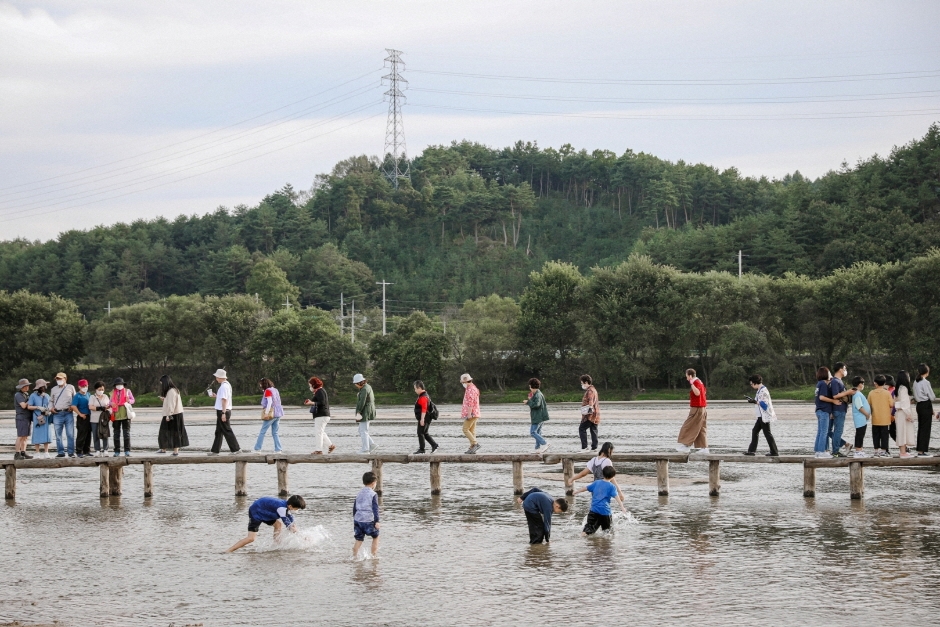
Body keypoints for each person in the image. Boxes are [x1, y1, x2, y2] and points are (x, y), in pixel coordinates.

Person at [227, 494, 306, 552]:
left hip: (265, 512)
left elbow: (291, 520)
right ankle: (229, 551)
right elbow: (287, 524)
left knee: (278, 525)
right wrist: (300, 534)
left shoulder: (287, 506)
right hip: (256, 512)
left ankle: (277, 545)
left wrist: (295, 528)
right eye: (297, 508)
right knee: (251, 538)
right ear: (291, 506)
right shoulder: (282, 508)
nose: (297, 510)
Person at [573, 465, 626, 535]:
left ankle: (581, 538)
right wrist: (622, 507)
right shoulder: (612, 487)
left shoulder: (597, 482)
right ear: (613, 476)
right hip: (605, 512)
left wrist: (576, 491)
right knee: (607, 532)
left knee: (588, 528)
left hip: (594, 510)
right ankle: (605, 544)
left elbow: (585, 488)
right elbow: (617, 498)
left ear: (603, 474)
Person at [208, 369, 243, 455]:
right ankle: (215, 450)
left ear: (220, 377)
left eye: (217, 377)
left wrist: (223, 413)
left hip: (223, 411)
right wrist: (216, 396)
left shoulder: (223, 386)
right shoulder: (227, 385)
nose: (216, 378)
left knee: (227, 430)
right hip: (224, 410)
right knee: (219, 431)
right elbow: (223, 398)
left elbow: (224, 400)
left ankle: (236, 449)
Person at [744, 374, 779, 456]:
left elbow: (765, 404)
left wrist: (755, 402)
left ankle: (774, 451)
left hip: (764, 416)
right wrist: (753, 401)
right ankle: (751, 451)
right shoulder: (760, 390)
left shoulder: (764, 391)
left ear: (755, 383)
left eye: (751, 384)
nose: (751, 386)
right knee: (755, 431)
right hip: (760, 416)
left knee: (767, 433)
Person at [676, 369, 709, 454]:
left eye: (686, 375)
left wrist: (691, 383)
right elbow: (704, 392)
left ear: (690, 375)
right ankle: (704, 448)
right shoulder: (700, 382)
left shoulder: (695, 382)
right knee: (701, 428)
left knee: (689, 426)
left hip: (697, 408)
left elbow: (697, 393)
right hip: (702, 408)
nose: (686, 377)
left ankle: (686, 445)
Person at [812, 367, 840, 459]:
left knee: (820, 432)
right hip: (824, 410)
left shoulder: (819, 383)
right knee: (824, 432)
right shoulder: (823, 384)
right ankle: (821, 451)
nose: (831, 375)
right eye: (829, 373)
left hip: (819, 410)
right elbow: (822, 397)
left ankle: (817, 450)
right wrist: (833, 401)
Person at [353, 471, 381, 558]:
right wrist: (377, 521)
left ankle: (354, 554)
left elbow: (354, 507)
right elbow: (375, 509)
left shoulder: (359, 493)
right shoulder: (373, 494)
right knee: (375, 536)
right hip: (368, 520)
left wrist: (355, 517)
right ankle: (374, 556)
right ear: (373, 483)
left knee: (359, 538)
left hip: (358, 520)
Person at [159, 375, 189, 456]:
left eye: (162, 383)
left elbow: (171, 404)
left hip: (173, 414)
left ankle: (174, 450)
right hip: (174, 413)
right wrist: (165, 399)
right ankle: (164, 449)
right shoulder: (173, 390)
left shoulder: (171, 391)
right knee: (172, 432)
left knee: (171, 432)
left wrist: (169, 415)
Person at [49, 372, 77, 458]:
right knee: (58, 435)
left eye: (60, 379)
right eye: (57, 379)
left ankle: (71, 452)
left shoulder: (71, 387)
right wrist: (51, 408)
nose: (59, 380)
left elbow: (75, 399)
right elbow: (51, 401)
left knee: (70, 434)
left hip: (68, 413)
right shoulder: (53, 389)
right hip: (57, 413)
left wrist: (72, 407)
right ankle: (60, 452)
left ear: (65, 379)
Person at [304, 377, 335, 454]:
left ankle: (319, 450)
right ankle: (330, 445)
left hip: (322, 415)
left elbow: (322, 403)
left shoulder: (320, 391)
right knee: (321, 432)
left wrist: (312, 403)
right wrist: (310, 401)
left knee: (318, 432)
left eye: (310, 385)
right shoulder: (318, 391)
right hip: (323, 415)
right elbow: (315, 401)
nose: (310, 387)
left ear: (314, 385)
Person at [827, 362, 852, 457]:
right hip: (838, 409)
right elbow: (835, 395)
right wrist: (848, 392)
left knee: (832, 430)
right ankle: (836, 451)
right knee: (838, 430)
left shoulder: (839, 381)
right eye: (845, 369)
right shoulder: (835, 381)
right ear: (840, 369)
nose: (845, 371)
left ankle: (843, 445)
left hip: (839, 409)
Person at [253, 378, 283, 453]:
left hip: (271, 413)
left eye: (261, 384)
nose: (260, 385)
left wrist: (266, 413)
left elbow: (269, 402)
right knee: (275, 432)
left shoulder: (267, 391)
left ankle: (257, 449)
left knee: (262, 431)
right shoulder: (275, 390)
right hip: (278, 413)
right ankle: (278, 449)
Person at [913, 364, 937, 456]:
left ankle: (920, 449)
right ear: (927, 372)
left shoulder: (916, 381)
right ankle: (922, 451)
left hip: (919, 405)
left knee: (921, 427)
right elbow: (932, 396)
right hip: (925, 404)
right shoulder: (925, 382)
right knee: (926, 429)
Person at [868, 375, 894, 457]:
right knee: (884, 435)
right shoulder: (887, 393)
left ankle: (876, 450)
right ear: (884, 383)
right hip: (885, 418)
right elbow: (891, 404)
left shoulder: (871, 393)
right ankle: (883, 451)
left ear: (875, 383)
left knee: (875, 435)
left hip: (875, 418)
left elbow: (869, 403)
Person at [522, 378, 550, 453]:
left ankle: (545, 443)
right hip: (540, 417)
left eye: (530, 386)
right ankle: (537, 448)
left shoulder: (538, 395)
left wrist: (528, 402)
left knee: (533, 432)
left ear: (531, 386)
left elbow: (536, 405)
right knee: (538, 432)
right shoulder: (537, 394)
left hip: (538, 417)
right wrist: (530, 399)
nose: (529, 388)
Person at [110, 377, 136, 457]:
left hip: (125, 414)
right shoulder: (112, 392)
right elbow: (109, 402)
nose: (119, 386)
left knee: (126, 433)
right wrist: (111, 404)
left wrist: (129, 401)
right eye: (117, 384)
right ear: (115, 385)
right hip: (116, 414)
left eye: (120, 384)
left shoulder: (128, 391)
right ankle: (117, 451)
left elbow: (133, 400)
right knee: (116, 434)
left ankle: (127, 450)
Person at [412, 380, 439, 454]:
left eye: (415, 389)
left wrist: (422, 419)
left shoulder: (423, 397)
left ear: (419, 388)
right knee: (425, 433)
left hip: (425, 417)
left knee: (420, 433)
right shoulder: (425, 395)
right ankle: (434, 445)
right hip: (427, 417)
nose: (415, 390)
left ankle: (422, 449)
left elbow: (424, 408)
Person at [28, 379, 52, 459]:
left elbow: (50, 405)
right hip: (37, 417)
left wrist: (48, 410)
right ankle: (37, 452)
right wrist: (38, 407)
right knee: (37, 434)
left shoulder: (47, 396)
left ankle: (46, 452)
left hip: (46, 416)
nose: (44, 388)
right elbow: (29, 406)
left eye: (44, 386)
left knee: (46, 433)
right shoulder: (33, 396)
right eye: (42, 386)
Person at [894, 371, 916, 458]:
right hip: (903, 413)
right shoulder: (904, 389)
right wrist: (908, 414)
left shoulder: (899, 388)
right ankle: (903, 452)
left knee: (901, 431)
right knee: (903, 431)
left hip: (900, 413)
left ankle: (902, 451)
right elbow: (904, 403)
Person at [353, 374, 377, 454]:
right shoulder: (367, 387)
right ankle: (372, 444)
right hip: (368, 410)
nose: (356, 386)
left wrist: (358, 412)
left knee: (363, 431)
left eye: (356, 384)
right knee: (361, 430)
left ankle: (365, 449)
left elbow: (362, 402)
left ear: (359, 382)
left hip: (365, 411)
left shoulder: (364, 389)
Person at [850, 376, 872, 458]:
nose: (863, 385)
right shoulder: (857, 394)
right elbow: (859, 407)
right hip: (860, 418)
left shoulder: (857, 393)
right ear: (860, 384)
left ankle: (860, 450)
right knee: (860, 434)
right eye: (863, 383)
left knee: (861, 434)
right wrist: (867, 414)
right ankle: (858, 451)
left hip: (862, 418)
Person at [460, 373, 481, 454]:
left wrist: (469, 414)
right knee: (472, 431)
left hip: (472, 413)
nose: (462, 384)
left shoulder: (470, 389)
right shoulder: (473, 388)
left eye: (462, 382)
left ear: (465, 381)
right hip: (475, 413)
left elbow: (470, 403)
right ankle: (472, 447)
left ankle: (475, 444)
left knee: (465, 429)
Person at [578, 374, 601, 452]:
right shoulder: (594, 389)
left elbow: (590, 401)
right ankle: (594, 448)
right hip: (596, 415)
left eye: (582, 383)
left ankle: (584, 447)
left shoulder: (590, 391)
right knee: (593, 430)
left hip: (590, 415)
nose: (582, 385)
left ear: (586, 382)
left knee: (582, 429)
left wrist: (589, 411)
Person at [13, 379, 34, 460]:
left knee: (25, 436)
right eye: (25, 386)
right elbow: (23, 406)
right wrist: (31, 399)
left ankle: (23, 452)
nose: (27, 387)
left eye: (27, 385)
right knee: (20, 436)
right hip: (21, 417)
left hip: (27, 417)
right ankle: (17, 453)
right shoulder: (18, 395)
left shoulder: (26, 394)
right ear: (21, 387)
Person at [89, 381, 110, 457]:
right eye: (99, 389)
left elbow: (108, 405)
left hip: (103, 419)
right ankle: (97, 450)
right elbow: (90, 407)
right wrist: (99, 408)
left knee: (105, 434)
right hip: (94, 419)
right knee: (95, 435)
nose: (101, 390)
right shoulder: (92, 397)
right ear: (96, 389)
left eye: (102, 389)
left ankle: (106, 449)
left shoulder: (105, 396)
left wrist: (106, 408)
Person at [73, 379, 92, 458]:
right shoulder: (77, 396)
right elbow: (73, 406)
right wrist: (80, 414)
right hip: (82, 417)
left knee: (88, 434)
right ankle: (79, 451)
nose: (85, 387)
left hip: (89, 416)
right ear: (79, 387)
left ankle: (86, 450)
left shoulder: (88, 394)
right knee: (81, 434)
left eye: (86, 386)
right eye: (83, 386)